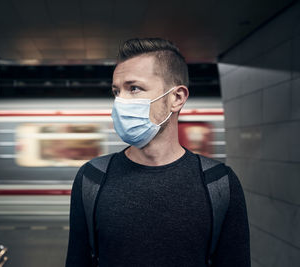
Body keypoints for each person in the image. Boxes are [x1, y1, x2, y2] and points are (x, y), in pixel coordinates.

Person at [65, 38, 250, 267]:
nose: (120, 102)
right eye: (116, 91)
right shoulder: (91, 178)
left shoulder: (219, 183)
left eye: (134, 88)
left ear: (177, 98)